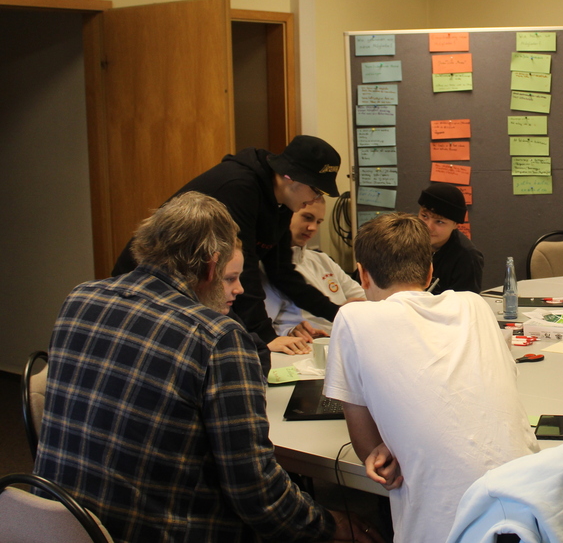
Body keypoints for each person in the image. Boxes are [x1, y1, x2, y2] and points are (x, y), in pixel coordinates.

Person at [35, 192, 381, 543]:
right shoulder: (217, 338)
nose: (240, 289)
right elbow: (256, 492)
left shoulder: (79, 299)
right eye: (232, 277)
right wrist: (329, 524)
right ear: (210, 266)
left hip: (64, 524)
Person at [324, 212, 538, 543]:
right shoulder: (475, 306)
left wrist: (389, 443)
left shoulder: (353, 318)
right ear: (430, 272)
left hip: (442, 531)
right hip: (531, 512)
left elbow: (367, 449)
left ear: (362, 275)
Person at [112, 135, 342, 355]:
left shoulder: (281, 205)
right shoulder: (240, 187)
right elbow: (245, 270)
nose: (314, 200)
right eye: (316, 190)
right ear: (291, 176)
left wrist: (340, 315)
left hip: (192, 288)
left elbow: (282, 272)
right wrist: (265, 336)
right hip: (150, 283)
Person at [263, 196, 365, 339]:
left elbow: (363, 298)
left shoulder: (321, 260)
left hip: (343, 341)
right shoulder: (266, 269)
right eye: (307, 218)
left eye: (318, 222)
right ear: (287, 215)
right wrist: (288, 332)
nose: (313, 228)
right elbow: (260, 329)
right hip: (303, 351)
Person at [417, 182, 484, 294]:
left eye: (439, 222)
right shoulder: (404, 242)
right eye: (424, 216)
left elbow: (465, 305)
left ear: (455, 225)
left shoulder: (467, 257)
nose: (428, 226)